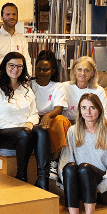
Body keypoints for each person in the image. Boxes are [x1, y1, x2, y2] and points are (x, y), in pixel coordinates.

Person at [0, 52, 50, 190]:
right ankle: (21, 176)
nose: (15, 69)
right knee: (24, 133)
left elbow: (34, 114)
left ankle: (43, 180)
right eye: (11, 65)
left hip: (24, 132)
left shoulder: (26, 89)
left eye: (19, 66)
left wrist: (29, 124)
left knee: (41, 131)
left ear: (23, 68)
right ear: (5, 66)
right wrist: (16, 128)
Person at [31, 50, 70, 179]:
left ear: (53, 71)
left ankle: (54, 161)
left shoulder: (57, 87)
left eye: (45, 70)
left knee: (60, 120)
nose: (41, 72)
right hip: (32, 119)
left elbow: (59, 108)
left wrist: (48, 116)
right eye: (38, 69)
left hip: (51, 119)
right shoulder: (29, 84)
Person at [0, 3, 31, 76]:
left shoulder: (22, 39)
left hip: (19, 80)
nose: (11, 17)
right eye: (8, 14)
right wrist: (4, 77)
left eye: (14, 14)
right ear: (1, 17)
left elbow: (27, 61)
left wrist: (28, 78)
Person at [63, 56, 107, 123]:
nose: (82, 73)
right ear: (74, 71)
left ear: (92, 73)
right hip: (68, 125)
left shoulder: (99, 91)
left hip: (91, 126)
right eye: (79, 69)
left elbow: (105, 118)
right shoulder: (64, 87)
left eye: (87, 70)